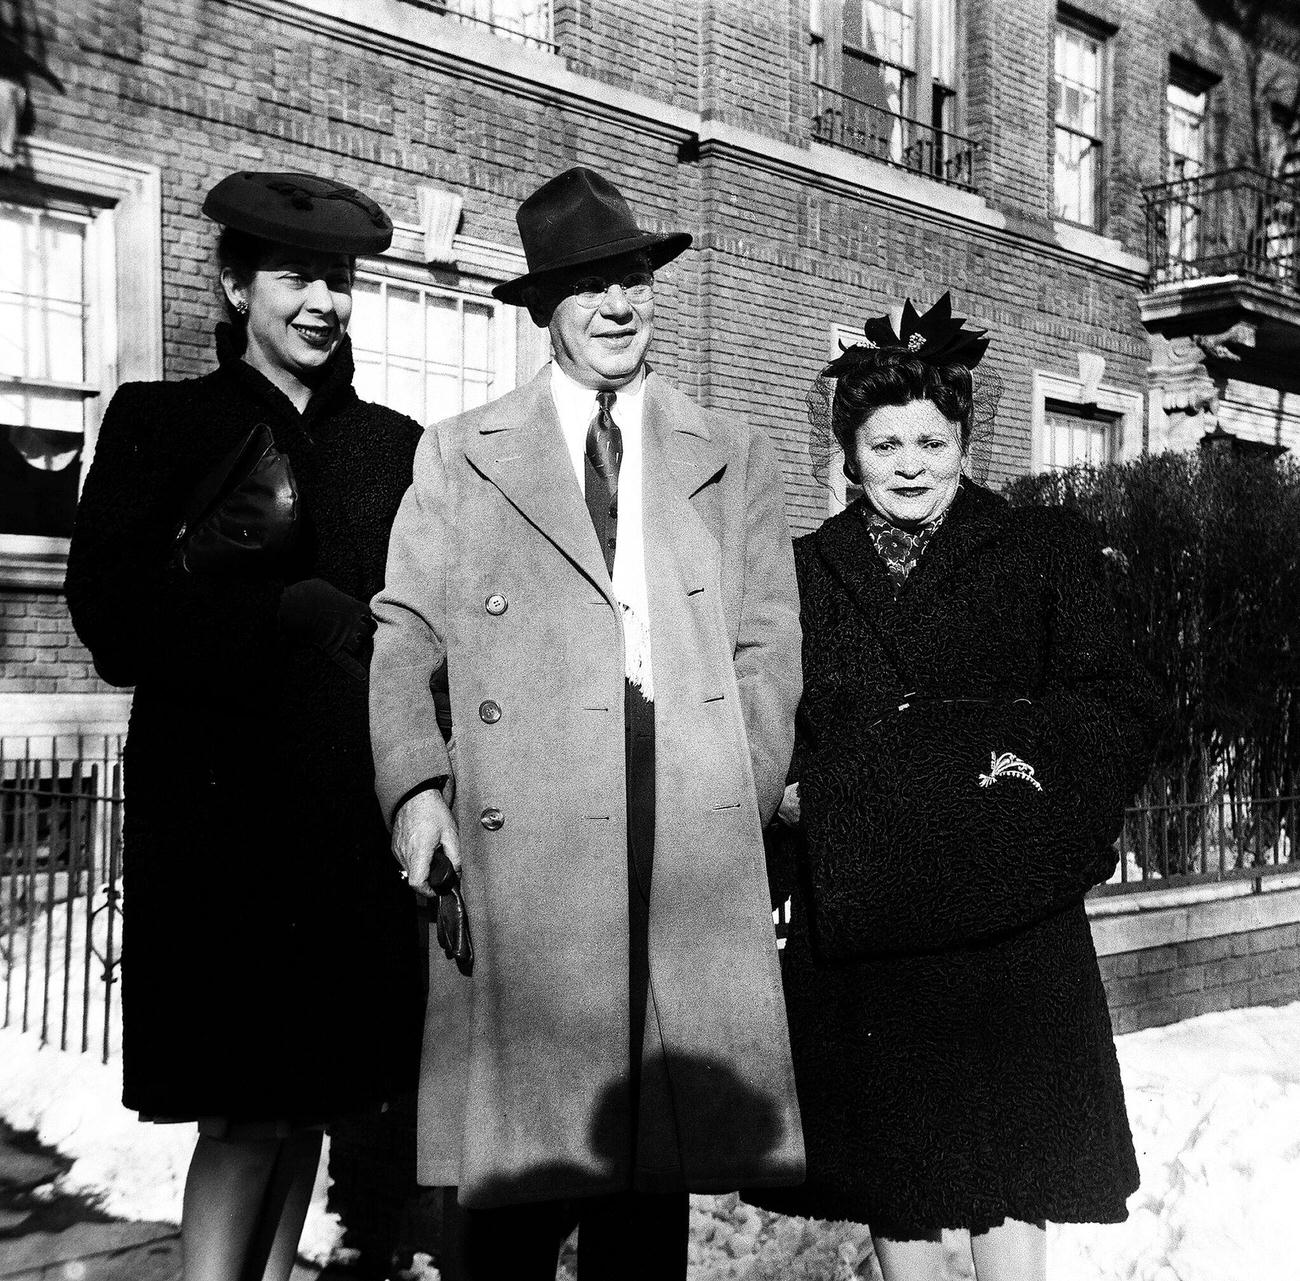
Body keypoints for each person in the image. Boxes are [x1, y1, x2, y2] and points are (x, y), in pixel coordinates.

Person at [368, 166, 805, 1281]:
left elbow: (768, 642)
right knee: (515, 1195)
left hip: (681, 829)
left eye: (632, 281)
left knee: (646, 1189)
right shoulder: (460, 453)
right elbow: (405, 635)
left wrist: (738, 791)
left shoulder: (731, 452)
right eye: (585, 286)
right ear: (544, 310)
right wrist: (417, 787)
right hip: (536, 839)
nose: (617, 306)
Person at [749, 294, 1159, 1281]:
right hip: (872, 934)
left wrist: (1032, 802)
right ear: (849, 453)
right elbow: (757, 725)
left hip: (1010, 925)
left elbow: (1118, 708)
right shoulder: (800, 575)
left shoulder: (1040, 553)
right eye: (883, 442)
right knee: (903, 1189)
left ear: (964, 441)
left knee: (1012, 1181)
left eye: (930, 440)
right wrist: (797, 804)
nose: (909, 464)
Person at [65, 171, 424, 1281]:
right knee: (241, 1116)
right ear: (234, 287)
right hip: (221, 824)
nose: (324, 302)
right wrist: (276, 617)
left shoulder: (392, 445)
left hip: (343, 826)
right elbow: (110, 613)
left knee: (313, 1100)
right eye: (296, 276)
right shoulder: (164, 421)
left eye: (341, 280)